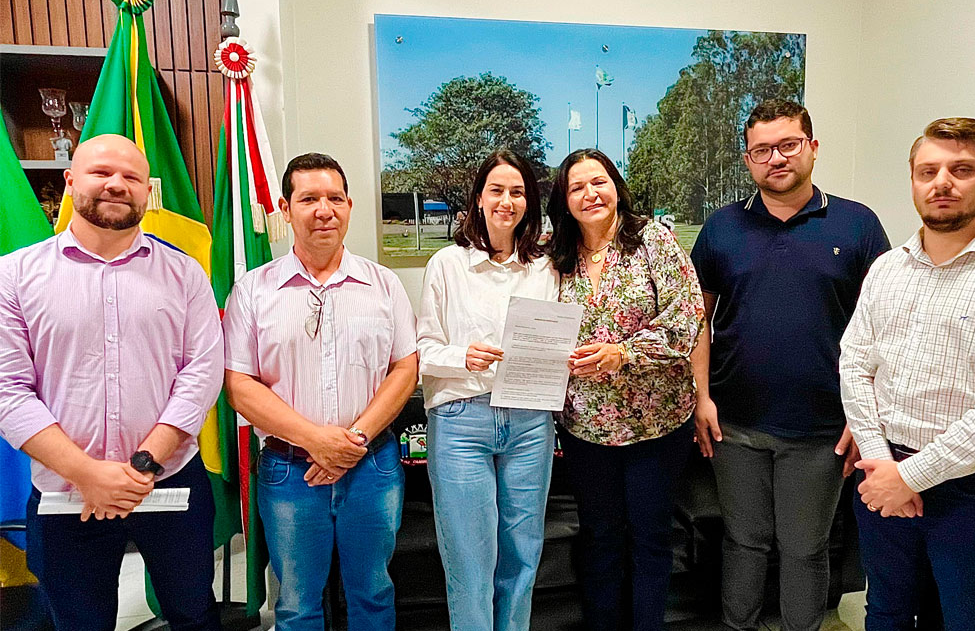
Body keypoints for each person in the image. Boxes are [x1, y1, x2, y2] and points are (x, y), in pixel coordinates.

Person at [0, 134, 224, 631]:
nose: (117, 185)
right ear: (70, 180)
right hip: (65, 490)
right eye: (102, 172)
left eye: (132, 177)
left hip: (169, 479)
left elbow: (202, 372)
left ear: (148, 190)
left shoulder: (186, 273)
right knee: (79, 622)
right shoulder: (12, 277)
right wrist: (87, 473)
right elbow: (9, 390)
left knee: (193, 614)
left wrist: (143, 463)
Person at [689, 99, 889, 631]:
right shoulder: (722, 227)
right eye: (761, 150)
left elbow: (883, 332)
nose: (775, 158)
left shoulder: (858, 224)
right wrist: (702, 399)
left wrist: (864, 416)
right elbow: (697, 323)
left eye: (788, 145)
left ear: (812, 148)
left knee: (805, 548)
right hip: (734, 423)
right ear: (748, 160)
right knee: (744, 542)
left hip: (822, 428)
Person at [222, 152, 418, 631]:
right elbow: (239, 386)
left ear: (350, 205)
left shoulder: (383, 285)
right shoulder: (252, 291)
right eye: (308, 198)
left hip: (371, 465)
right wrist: (316, 440)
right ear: (286, 209)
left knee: (373, 592)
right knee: (296, 601)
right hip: (289, 472)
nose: (323, 209)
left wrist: (350, 442)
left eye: (334, 198)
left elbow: (405, 368)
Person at [839, 117, 975, 631]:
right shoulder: (887, 269)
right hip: (882, 470)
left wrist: (909, 478)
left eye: (961, 169)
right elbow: (854, 364)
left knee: (973, 619)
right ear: (914, 181)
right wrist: (879, 462)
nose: (941, 182)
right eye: (928, 171)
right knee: (889, 612)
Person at [546, 148, 706, 631]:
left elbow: (687, 316)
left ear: (616, 185)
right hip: (584, 429)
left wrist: (624, 352)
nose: (590, 193)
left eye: (599, 181)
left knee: (651, 538)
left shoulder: (653, 240)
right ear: (565, 200)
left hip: (656, 425)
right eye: (577, 187)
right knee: (599, 538)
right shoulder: (554, 256)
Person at [417, 149, 559, 630]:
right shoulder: (446, 265)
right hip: (462, 422)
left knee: (522, 556)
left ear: (529, 202)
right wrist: (463, 356)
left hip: (529, 423)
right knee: (469, 561)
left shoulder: (547, 268)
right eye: (496, 190)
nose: (507, 201)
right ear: (478, 199)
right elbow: (424, 350)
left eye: (517, 192)